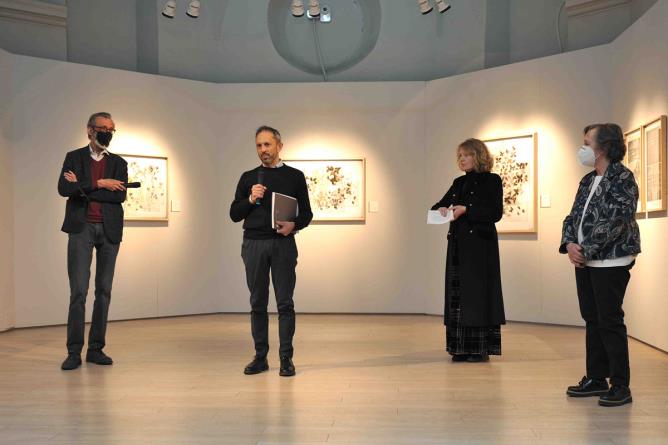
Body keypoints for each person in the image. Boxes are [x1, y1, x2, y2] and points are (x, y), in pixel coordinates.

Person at [561, 123, 641, 407]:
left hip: (611, 261)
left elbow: (617, 221)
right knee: (592, 318)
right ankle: (596, 377)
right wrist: (570, 244)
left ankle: (620, 385)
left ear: (603, 147)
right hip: (585, 260)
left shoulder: (623, 178)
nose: (582, 148)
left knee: (609, 321)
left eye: (586, 142)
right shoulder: (586, 180)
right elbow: (572, 217)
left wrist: (586, 249)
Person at [230, 126, 313, 377]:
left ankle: (286, 358)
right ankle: (260, 357)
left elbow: (307, 213)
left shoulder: (295, 176)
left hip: (282, 244)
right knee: (257, 302)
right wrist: (251, 199)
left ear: (279, 146)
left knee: (285, 303)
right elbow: (234, 214)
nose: (263, 150)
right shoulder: (248, 177)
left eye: (267, 145)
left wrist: (293, 226)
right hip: (253, 244)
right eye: (258, 146)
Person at [57, 112, 128, 371]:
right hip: (81, 228)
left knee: (104, 291)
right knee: (78, 291)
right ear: (89, 130)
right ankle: (74, 351)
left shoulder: (119, 162)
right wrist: (100, 183)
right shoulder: (73, 157)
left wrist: (83, 187)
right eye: (102, 128)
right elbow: (64, 190)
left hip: (109, 230)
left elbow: (119, 197)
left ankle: (96, 349)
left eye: (111, 129)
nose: (107, 133)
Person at [431, 138, 505, 363]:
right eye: (460, 156)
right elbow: (438, 206)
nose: (462, 159)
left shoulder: (492, 181)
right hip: (458, 246)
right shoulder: (458, 182)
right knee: (458, 298)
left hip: (481, 248)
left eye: (466, 155)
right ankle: (460, 348)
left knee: (477, 297)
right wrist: (442, 208)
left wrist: (467, 210)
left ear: (478, 156)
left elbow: (495, 213)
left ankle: (479, 348)